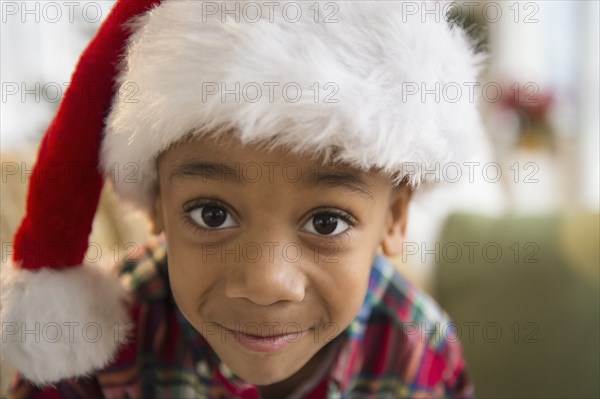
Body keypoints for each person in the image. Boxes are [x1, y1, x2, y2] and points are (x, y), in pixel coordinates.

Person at [2, 0, 484, 397]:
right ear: (156, 204)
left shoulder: (416, 352)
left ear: (394, 217)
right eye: (212, 214)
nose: (266, 282)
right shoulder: (91, 353)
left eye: (326, 223)